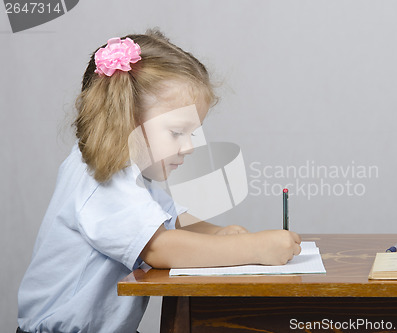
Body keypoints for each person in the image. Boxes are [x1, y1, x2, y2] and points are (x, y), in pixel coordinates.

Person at [17, 28, 301, 333]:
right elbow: (158, 247)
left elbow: (172, 219)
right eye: (178, 133)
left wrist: (220, 233)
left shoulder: (130, 176)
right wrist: (254, 248)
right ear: (127, 120)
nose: (190, 146)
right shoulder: (100, 180)